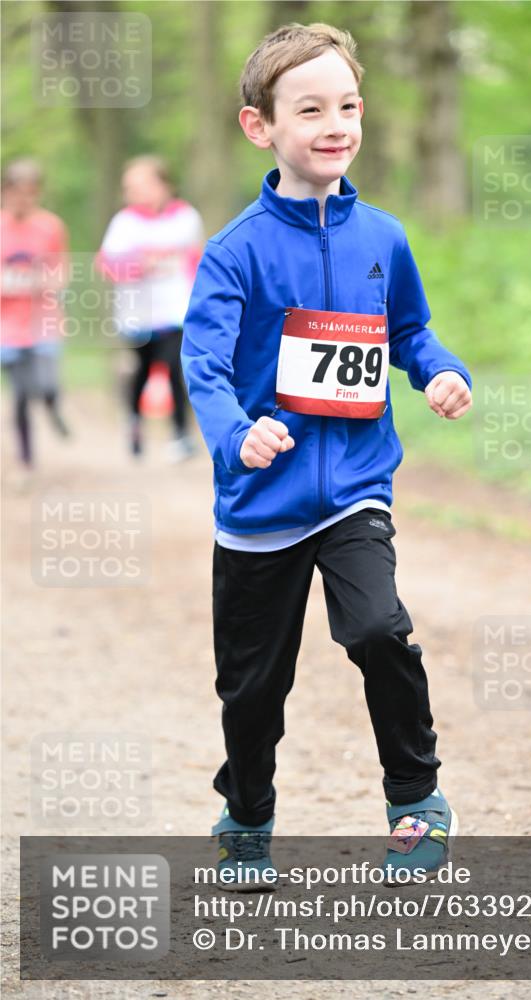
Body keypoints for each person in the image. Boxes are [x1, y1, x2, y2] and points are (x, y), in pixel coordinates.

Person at [181, 23, 473, 889]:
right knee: (253, 692)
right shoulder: (234, 252)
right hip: (260, 505)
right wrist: (240, 433)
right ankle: (247, 813)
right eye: (308, 108)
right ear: (259, 126)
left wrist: (440, 371)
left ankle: (416, 803)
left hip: (354, 487)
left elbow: (410, 331)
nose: (334, 123)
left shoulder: (382, 236)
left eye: (346, 105)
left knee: (380, 630)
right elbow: (203, 363)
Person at [97, 155, 204, 461]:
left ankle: (180, 434)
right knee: (141, 371)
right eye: (128, 187)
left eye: (140, 185)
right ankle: (133, 424)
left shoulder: (186, 217)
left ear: (163, 185)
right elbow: (108, 263)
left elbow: (193, 258)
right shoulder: (124, 222)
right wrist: (139, 264)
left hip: (175, 309)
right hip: (138, 313)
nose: (133, 193)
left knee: (174, 367)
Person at [1, 158, 70, 479]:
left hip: (43, 319)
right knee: (20, 393)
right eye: (16, 194)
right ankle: (25, 461)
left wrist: (50, 282)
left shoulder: (50, 225)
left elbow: (63, 269)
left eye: (29, 194)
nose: (22, 201)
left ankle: (53, 405)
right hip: (7, 326)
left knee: (47, 383)